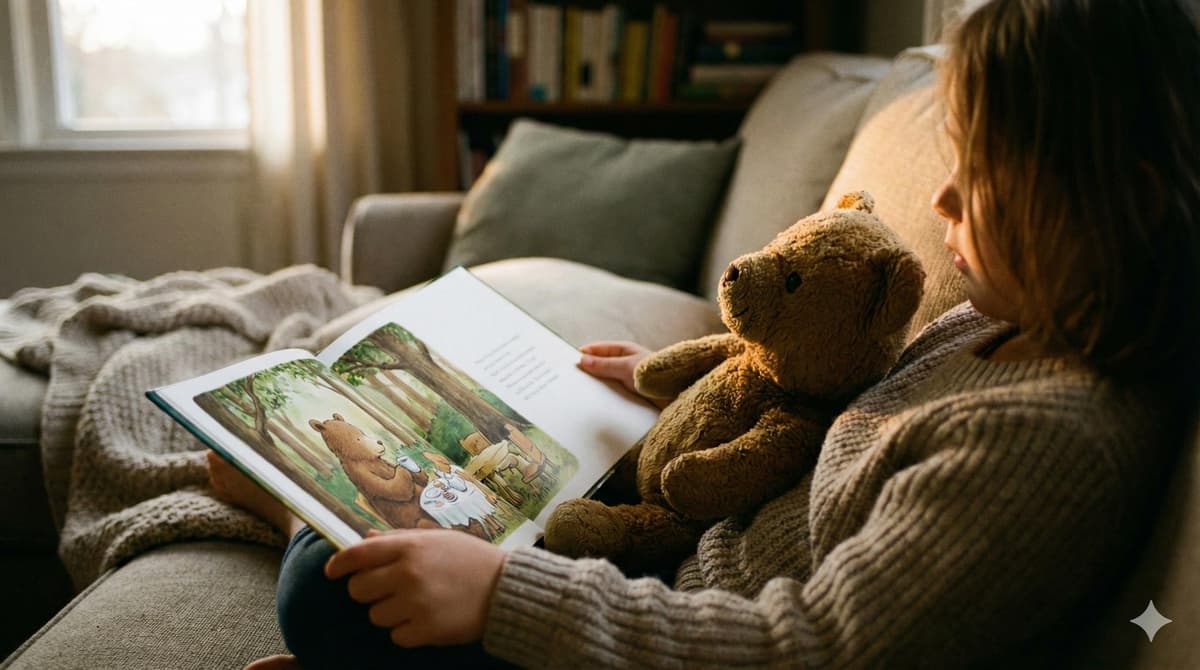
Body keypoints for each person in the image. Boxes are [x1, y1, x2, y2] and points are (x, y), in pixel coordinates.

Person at [208, 0, 1200, 667]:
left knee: (328, 587)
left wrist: (508, 592)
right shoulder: (1006, 322)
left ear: (1119, 202)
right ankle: (307, 485)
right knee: (417, 466)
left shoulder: (1044, 444)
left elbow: (804, 646)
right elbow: (828, 387)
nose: (943, 198)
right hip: (673, 543)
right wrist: (660, 383)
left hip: (679, 612)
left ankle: (304, 508)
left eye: (984, 176)